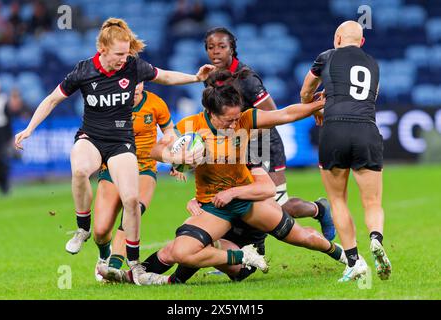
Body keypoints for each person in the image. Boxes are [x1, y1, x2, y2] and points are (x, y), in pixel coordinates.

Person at [14, 17, 215, 285]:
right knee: (80, 170)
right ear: (103, 50)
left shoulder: (132, 67)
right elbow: (52, 99)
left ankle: (134, 264)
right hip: (91, 137)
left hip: (121, 142)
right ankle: (82, 230)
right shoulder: (84, 71)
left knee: (132, 200)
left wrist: (195, 77)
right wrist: (29, 129)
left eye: (127, 53)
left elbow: (165, 76)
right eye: (120, 53)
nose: (124, 58)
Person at [133, 69, 347, 285]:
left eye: (237, 118)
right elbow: (155, 149)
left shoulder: (246, 119)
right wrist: (174, 155)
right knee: (180, 250)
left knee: (302, 237)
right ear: (211, 112)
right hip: (214, 206)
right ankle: (136, 277)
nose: (235, 125)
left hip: (247, 201)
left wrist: (318, 105)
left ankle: (344, 255)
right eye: (229, 120)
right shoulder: (192, 126)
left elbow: (284, 114)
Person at [203, 27, 335, 241]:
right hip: (238, 147)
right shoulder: (210, 77)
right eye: (211, 47)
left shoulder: (246, 78)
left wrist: (249, 141)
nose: (215, 51)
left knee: (277, 207)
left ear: (232, 49)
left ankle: (318, 209)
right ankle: (250, 252)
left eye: (221, 46)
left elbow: (271, 113)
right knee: (238, 204)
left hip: (263, 144)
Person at [300, 21, 391, 282]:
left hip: (335, 129)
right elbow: (370, 96)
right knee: (373, 201)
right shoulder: (373, 64)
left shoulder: (326, 56)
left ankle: (353, 261)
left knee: (338, 200)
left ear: (337, 38)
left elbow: (305, 92)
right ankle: (376, 237)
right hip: (367, 129)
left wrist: (317, 108)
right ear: (361, 42)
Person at [98, 163, 274, 284]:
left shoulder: (252, 191)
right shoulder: (225, 185)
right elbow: (217, 200)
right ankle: (131, 276)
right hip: (224, 244)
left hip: (244, 261)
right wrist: (197, 200)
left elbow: (246, 201)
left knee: (192, 245)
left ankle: (174, 281)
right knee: (173, 248)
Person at [91, 81, 179, 281]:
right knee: (100, 230)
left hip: (144, 168)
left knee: (133, 211)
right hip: (113, 166)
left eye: (138, 81)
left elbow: (169, 133)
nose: (134, 87)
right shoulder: (108, 103)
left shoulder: (156, 104)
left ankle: (113, 268)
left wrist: (175, 159)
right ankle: (104, 254)